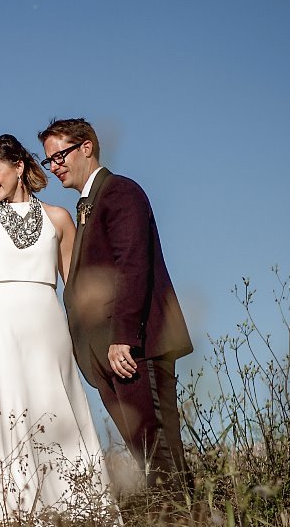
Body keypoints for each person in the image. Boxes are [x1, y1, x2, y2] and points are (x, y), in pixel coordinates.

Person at [0, 134, 117, 522]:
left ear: (18, 167)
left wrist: (108, 336)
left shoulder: (58, 218)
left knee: (58, 415)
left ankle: (86, 523)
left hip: (46, 325)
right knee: (3, 421)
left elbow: (74, 287)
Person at [37, 118, 193, 498]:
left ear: (87, 147)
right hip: (108, 355)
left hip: (135, 349)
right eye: (49, 161)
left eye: (59, 156)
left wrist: (123, 337)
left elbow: (133, 265)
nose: (54, 166)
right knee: (147, 458)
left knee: (160, 455)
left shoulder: (120, 192)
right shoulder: (87, 207)